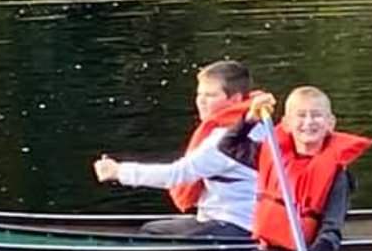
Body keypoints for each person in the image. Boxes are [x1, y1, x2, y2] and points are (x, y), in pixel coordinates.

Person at [207, 86, 372, 251]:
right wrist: (250, 118)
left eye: (316, 115)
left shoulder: (337, 175)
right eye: (301, 115)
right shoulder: (273, 156)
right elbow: (228, 144)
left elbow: (331, 231)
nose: (308, 122)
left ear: (330, 123)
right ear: (286, 123)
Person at [92, 58, 257, 239]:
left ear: (236, 99)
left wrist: (118, 171)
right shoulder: (252, 124)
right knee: (152, 228)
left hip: (240, 225)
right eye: (199, 94)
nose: (201, 101)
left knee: (157, 235)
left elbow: (177, 175)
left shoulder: (229, 138)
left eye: (210, 96)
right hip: (223, 218)